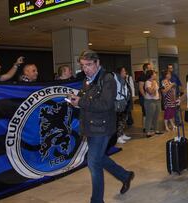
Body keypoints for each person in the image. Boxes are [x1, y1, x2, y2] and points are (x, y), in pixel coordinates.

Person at [67, 50, 134, 203]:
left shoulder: (107, 78)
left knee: (93, 162)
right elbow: (87, 101)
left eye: (89, 65)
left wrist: (81, 102)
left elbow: (105, 104)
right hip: (90, 127)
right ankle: (125, 175)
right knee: (98, 158)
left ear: (97, 63)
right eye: (83, 65)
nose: (86, 69)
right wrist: (77, 100)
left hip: (102, 128)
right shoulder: (87, 80)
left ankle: (96, 201)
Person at [115, 67, 132, 144]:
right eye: (124, 71)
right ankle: (118, 136)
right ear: (120, 73)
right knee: (119, 120)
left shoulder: (124, 80)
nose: (125, 73)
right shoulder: (117, 81)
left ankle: (121, 134)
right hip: (120, 103)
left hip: (125, 103)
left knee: (124, 119)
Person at [144, 70, 162, 137]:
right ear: (151, 75)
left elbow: (157, 90)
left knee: (156, 117)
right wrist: (154, 84)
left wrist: (159, 97)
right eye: (154, 74)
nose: (156, 75)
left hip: (157, 101)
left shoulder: (155, 82)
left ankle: (156, 130)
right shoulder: (147, 82)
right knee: (149, 117)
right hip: (150, 101)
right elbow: (151, 93)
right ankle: (148, 132)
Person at [138, 63, 153, 132]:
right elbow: (141, 88)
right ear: (146, 68)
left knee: (149, 112)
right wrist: (145, 97)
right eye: (150, 68)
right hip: (144, 98)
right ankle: (145, 127)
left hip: (149, 97)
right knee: (145, 112)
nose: (151, 69)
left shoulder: (148, 76)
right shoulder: (142, 76)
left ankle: (149, 125)